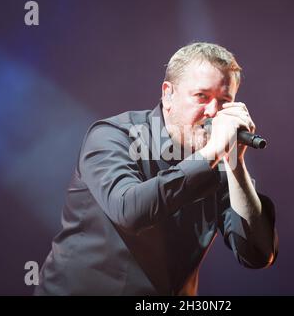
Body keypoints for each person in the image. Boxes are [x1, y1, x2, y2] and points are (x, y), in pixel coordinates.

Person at [35, 42, 278, 296]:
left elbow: (257, 255)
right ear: (168, 94)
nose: (213, 112)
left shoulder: (220, 165)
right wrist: (209, 155)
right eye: (202, 96)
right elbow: (130, 211)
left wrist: (235, 164)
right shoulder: (112, 137)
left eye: (224, 101)